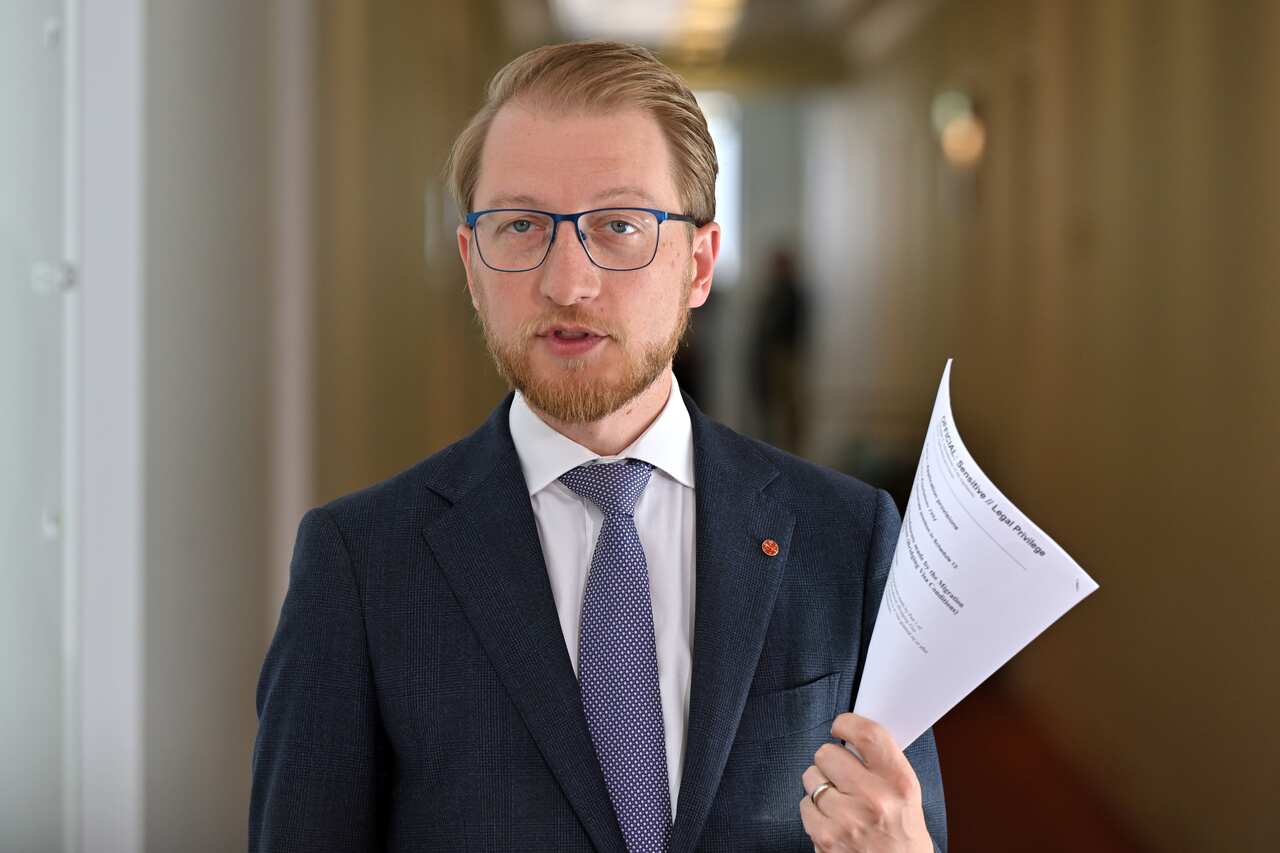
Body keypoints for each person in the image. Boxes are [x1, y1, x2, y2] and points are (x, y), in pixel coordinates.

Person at [249, 41, 946, 853]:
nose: (568, 282)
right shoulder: (360, 566)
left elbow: (909, 817)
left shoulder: (848, 538)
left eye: (619, 226)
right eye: (520, 225)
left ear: (698, 264)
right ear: (473, 266)